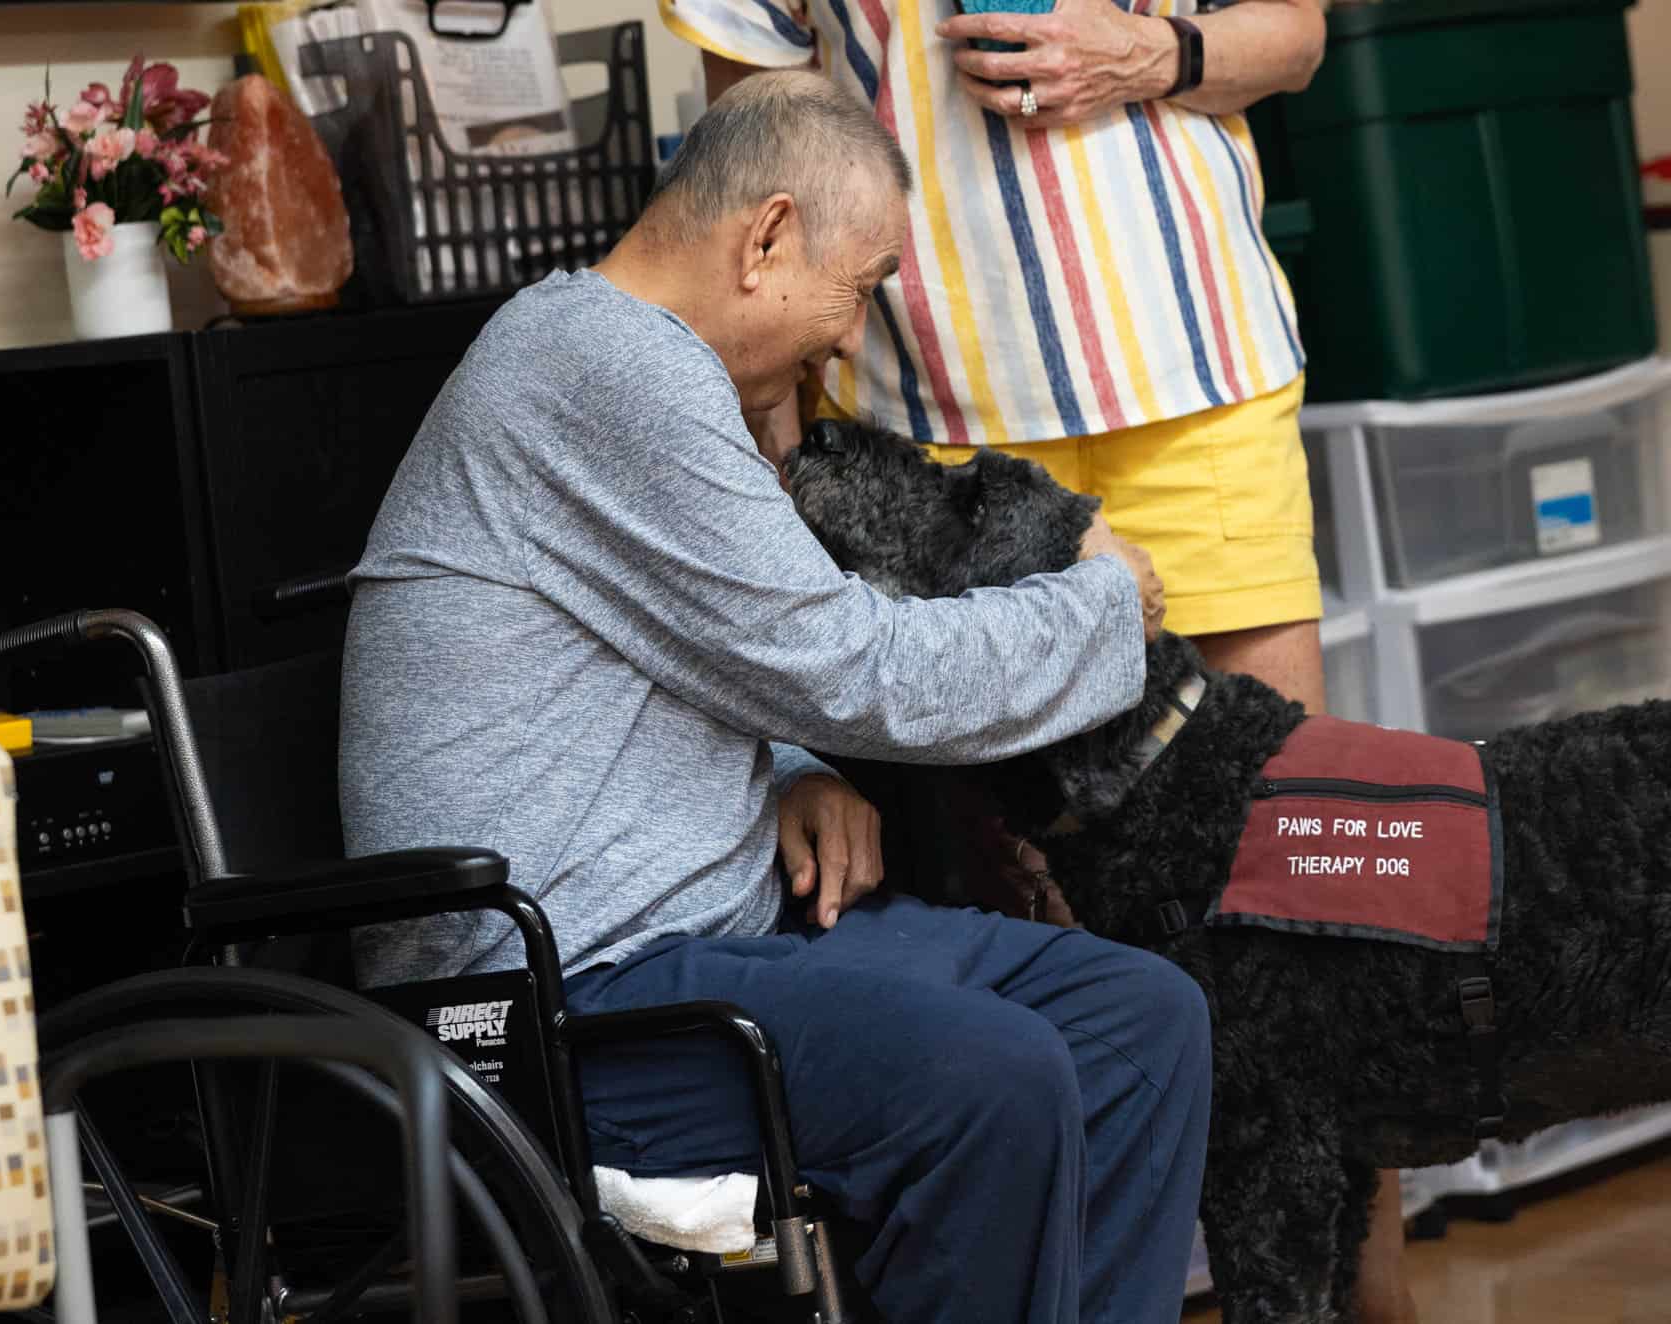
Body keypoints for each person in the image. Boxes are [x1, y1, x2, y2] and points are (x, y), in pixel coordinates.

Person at [341, 71, 1210, 1324]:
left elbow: (713, 651)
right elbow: (856, 668)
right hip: (559, 1004)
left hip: (711, 945)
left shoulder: (645, 365)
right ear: (766, 238)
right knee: (993, 1073)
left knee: (1140, 1019)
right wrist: (1102, 600)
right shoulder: (602, 368)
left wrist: (793, 770)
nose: (852, 337)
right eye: (857, 289)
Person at [660, 2, 1418, 1318]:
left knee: (1304, 911)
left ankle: (1373, 1309)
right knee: (1026, 937)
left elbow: (1290, 37)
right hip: (930, 451)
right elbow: (756, 142)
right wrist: (771, 437)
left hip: (1196, 388)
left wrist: (1154, 53)